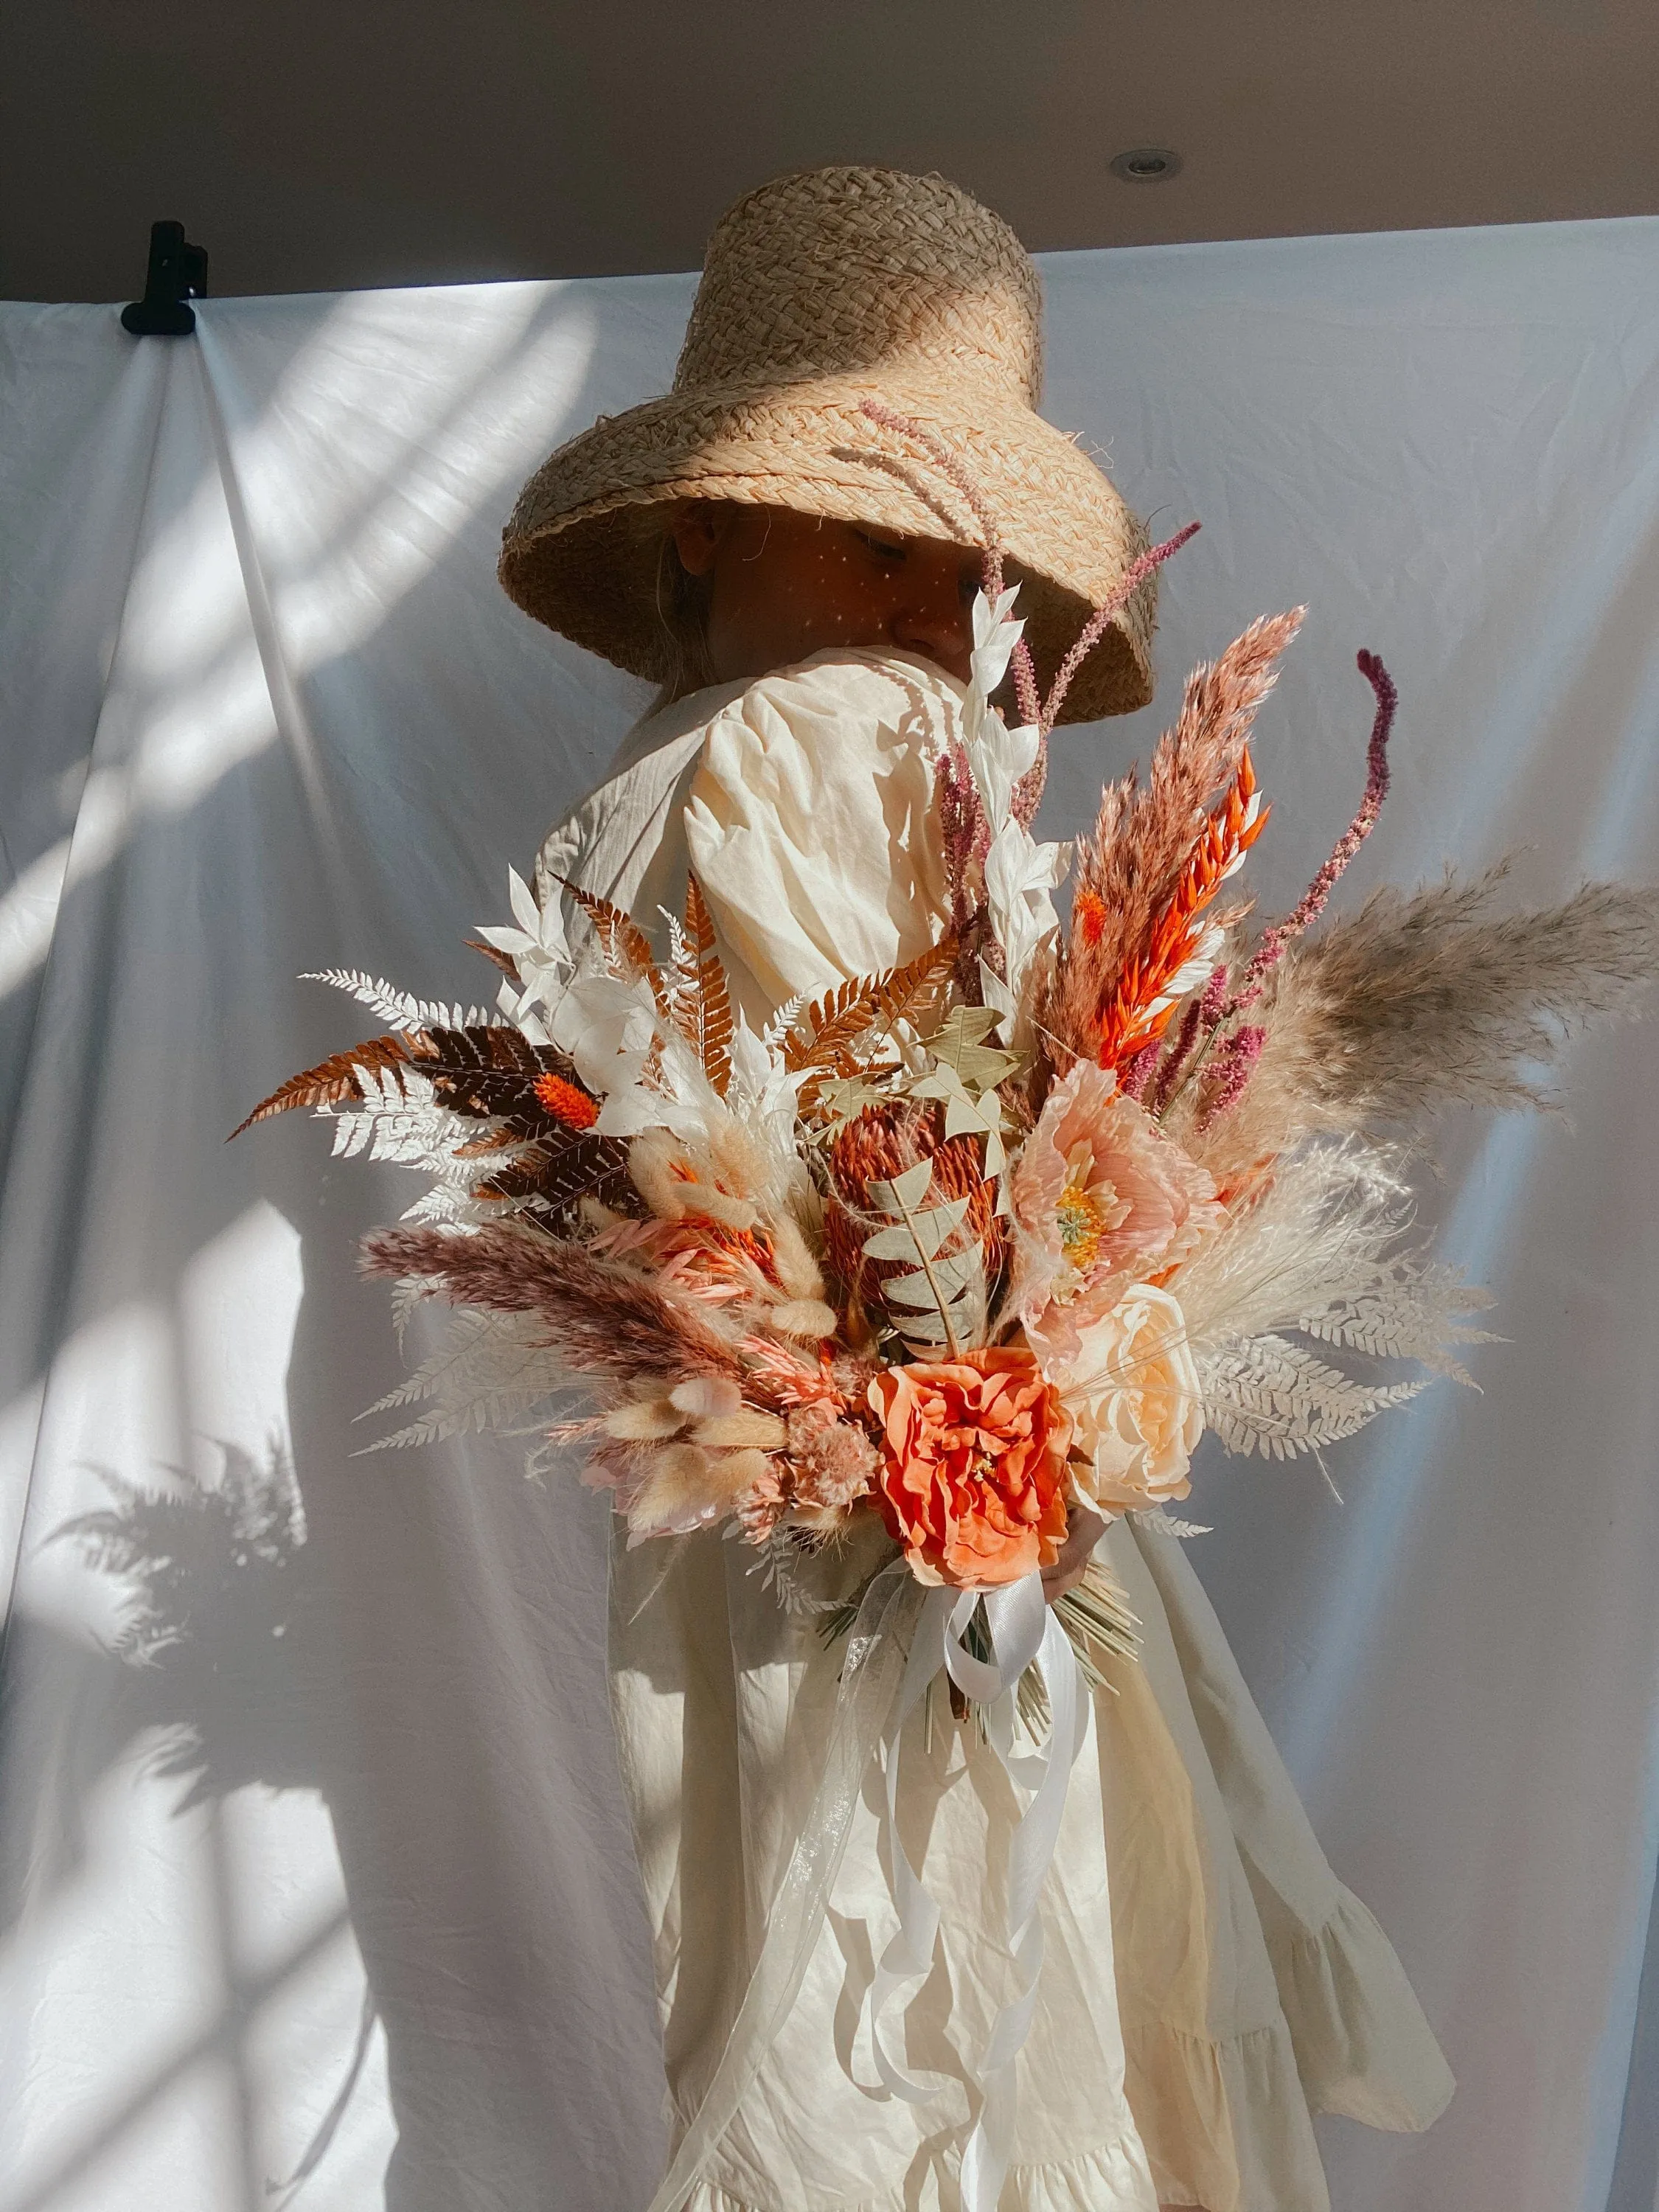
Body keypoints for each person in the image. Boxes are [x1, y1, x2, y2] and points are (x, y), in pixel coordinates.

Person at [501, 165, 1453, 2212]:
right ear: (773, 528)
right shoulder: (831, 741)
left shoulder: (652, 776)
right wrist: (998, 1492)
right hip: (915, 1562)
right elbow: (892, 1189)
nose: (965, 613)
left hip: (770, 1530)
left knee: (838, 2023)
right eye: (937, 551)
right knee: (977, 2036)